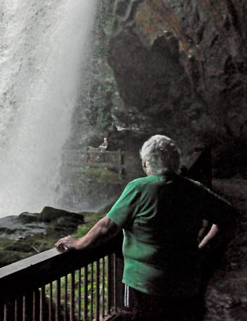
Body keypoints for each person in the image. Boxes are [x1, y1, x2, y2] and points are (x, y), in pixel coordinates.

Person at [55, 135, 235, 321]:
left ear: (145, 164)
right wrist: (202, 250)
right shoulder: (194, 189)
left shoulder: (139, 187)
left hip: (145, 285)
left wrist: (79, 243)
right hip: (187, 282)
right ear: (176, 162)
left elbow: (106, 227)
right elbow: (230, 218)